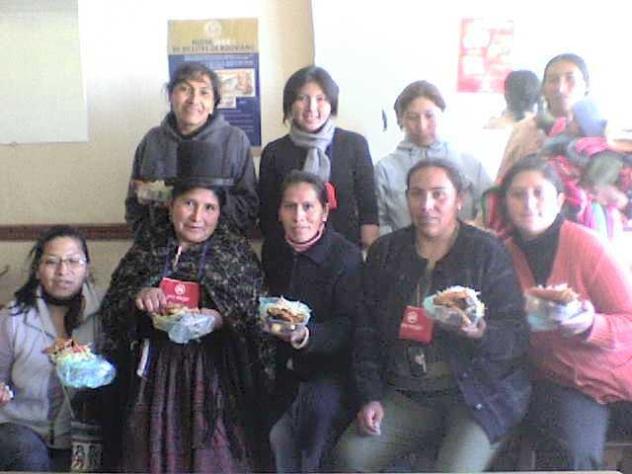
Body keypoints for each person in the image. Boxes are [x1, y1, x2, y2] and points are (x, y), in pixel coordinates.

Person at [334, 158, 530, 472]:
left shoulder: (486, 251)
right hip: (406, 394)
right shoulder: (385, 252)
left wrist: (481, 332)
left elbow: (516, 334)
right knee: (350, 459)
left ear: (459, 199)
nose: (426, 205)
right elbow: (365, 331)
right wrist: (370, 397)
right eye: (417, 194)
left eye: (439, 194)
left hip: (473, 394)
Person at [100, 141, 273, 473]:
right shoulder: (148, 248)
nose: (197, 217)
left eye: (209, 207)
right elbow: (113, 308)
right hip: (152, 375)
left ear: (219, 212)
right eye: (189, 203)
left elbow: (256, 318)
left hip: (216, 378)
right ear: (171, 205)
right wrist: (140, 297)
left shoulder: (234, 253)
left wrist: (220, 318)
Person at [499, 155, 632, 470]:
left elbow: (628, 319)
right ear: (505, 203)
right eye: (518, 194)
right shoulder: (501, 255)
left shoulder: (587, 246)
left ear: (559, 200)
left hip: (616, 370)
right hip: (561, 381)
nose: (528, 203)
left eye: (539, 193)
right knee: (573, 455)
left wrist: (589, 325)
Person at [264, 170, 362, 472]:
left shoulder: (346, 257)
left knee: (315, 421)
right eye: (290, 207)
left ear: (324, 213)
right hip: (281, 363)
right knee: (273, 431)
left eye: (308, 207)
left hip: (330, 369)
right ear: (279, 212)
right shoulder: (274, 249)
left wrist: (308, 336)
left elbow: (350, 325)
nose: (299, 217)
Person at [0, 225, 102, 472]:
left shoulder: (104, 313)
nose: (62, 271)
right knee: (28, 453)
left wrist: (87, 365)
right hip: (21, 428)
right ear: (37, 269)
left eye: (73, 261)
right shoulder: (14, 317)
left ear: (87, 269)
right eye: (51, 262)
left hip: (83, 433)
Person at [125, 61, 258, 242]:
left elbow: (249, 207)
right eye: (185, 89)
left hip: (221, 248)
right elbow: (133, 203)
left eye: (204, 92)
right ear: (171, 96)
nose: (194, 100)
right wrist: (149, 239)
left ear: (214, 102)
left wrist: (206, 203)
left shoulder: (235, 140)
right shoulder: (152, 140)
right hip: (158, 246)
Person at [258, 65, 379, 259]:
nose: (311, 107)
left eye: (320, 99)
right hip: (289, 253)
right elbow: (268, 213)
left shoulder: (354, 144)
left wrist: (369, 244)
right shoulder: (274, 152)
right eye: (302, 98)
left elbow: (368, 203)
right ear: (290, 104)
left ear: (332, 103)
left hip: (344, 251)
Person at [375, 80, 491, 235]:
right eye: (412, 117)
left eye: (429, 116)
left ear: (442, 114)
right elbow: (379, 222)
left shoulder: (469, 164)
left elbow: (490, 209)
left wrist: (472, 233)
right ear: (400, 120)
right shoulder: (385, 169)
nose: (422, 125)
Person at [496, 53, 591, 181]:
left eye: (570, 79)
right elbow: (503, 182)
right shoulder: (527, 129)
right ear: (543, 88)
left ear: (586, 86)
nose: (560, 88)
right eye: (553, 80)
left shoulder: (598, 131)